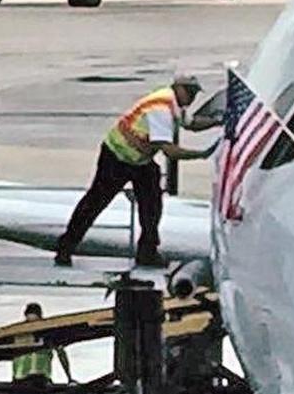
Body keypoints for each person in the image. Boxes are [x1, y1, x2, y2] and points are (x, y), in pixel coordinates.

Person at [54, 74, 220, 268]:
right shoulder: (161, 109)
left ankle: (147, 252)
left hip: (139, 161)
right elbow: (169, 151)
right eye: (190, 92)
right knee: (95, 203)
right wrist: (201, 154)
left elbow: (191, 124)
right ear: (178, 88)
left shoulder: (173, 103)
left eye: (195, 94)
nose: (192, 98)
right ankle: (66, 247)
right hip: (117, 157)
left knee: (152, 206)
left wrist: (217, 121)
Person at [11, 303, 72, 390]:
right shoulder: (17, 332)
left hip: (39, 378)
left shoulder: (48, 333)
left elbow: (61, 353)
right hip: (23, 378)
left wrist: (69, 377)